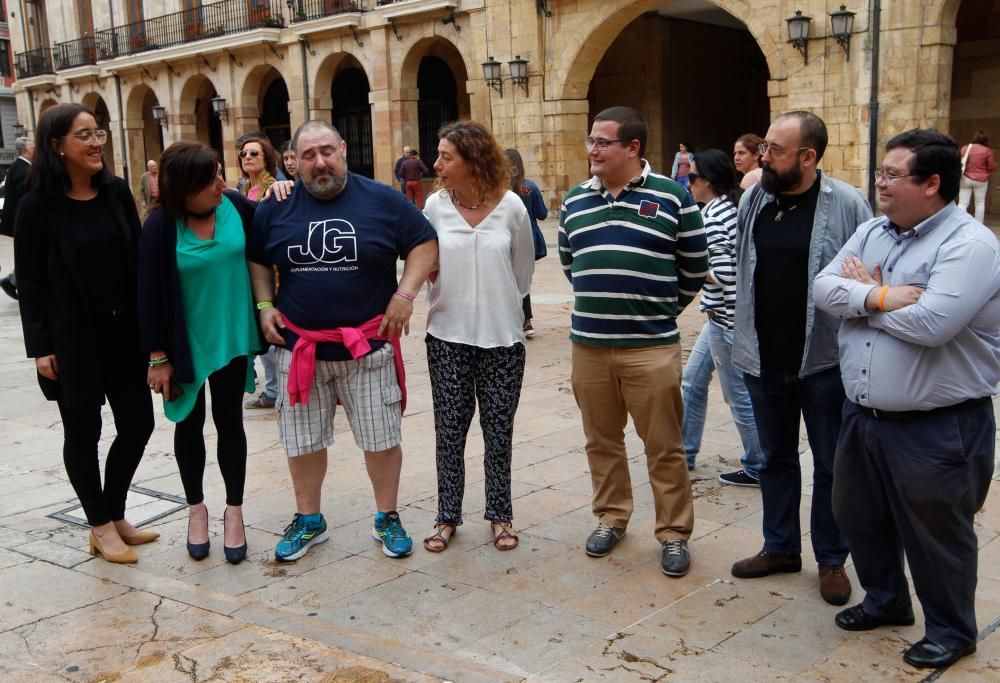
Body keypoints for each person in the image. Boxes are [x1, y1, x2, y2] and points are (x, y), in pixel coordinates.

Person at [815, 128, 999, 669]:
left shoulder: (969, 245)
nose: (880, 183)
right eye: (882, 172)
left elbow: (933, 323)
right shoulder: (874, 231)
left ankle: (951, 630)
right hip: (863, 415)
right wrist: (881, 295)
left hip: (937, 424)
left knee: (936, 532)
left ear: (933, 183)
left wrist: (861, 299)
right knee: (858, 514)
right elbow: (824, 288)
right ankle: (886, 600)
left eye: (892, 174)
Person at [247, 120, 437, 562]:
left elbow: (424, 243)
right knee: (302, 440)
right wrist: (264, 305)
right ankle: (309, 520)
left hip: (367, 348)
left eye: (327, 151)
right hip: (300, 349)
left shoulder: (383, 200)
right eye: (309, 155)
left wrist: (405, 294)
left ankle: (387, 516)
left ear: (344, 149)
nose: (320, 162)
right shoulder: (275, 206)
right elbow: (257, 259)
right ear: (295, 161)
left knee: (381, 437)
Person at [729, 110, 872, 605]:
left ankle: (832, 559)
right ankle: (781, 547)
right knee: (775, 459)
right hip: (762, 357)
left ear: (808, 158)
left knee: (833, 464)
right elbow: (740, 259)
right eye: (764, 147)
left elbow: (868, 274)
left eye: (775, 150)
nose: (763, 157)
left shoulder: (850, 204)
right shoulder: (755, 199)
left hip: (824, 362)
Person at [559, 106, 707, 577]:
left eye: (602, 142)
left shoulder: (673, 197)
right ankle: (611, 517)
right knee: (601, 441)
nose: (592, 150)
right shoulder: (575, 200)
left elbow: (694, 268)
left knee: (664, 445)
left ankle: (674, 532)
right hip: (590, 348)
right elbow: (570, 264)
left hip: (651, 348)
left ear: (632, 148)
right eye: (591, 141)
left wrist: (657, 311)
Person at [14, 103, 156, 564]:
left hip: (123, 330)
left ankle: (113, 514)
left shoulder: (115, 192)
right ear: (58, 146)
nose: (97, 143)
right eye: (85, 135)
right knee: (83, 430)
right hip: (72, 337)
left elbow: (137, 262)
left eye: (99, 133)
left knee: (138, 423)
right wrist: (40, 347)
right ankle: (98, 524)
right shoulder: (37, 206)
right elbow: (30, 282)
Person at [138, 142, 263, 565]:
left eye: (218, 174)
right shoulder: (160, 226)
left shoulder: (236, 207)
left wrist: (283, 191)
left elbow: (272, 232)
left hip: (231, 337)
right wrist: (157, 357)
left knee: (231, 423)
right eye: (209, 179)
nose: (220, 183)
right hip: (183, 346)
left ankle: (234, 512)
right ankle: (196, 510)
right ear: (184, 187)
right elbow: (148, 294)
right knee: (188, 427)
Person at [421, 123, 534, 553]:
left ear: (473, 160)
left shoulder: (511, 208)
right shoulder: (434, 206)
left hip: (503, 339)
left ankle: (500, 515)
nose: (437, 164)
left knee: (498, 431)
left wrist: (497, 301)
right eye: (438, 155)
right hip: (447, 336)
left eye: (447, 156)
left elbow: (521, 273)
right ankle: (447, 515)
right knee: (449, 430)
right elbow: (422, 259)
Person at [680, 149, 764, 487]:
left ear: (708, 182)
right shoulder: (723, 209)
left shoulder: (715, 217)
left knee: (738, 396)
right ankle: (683, 452)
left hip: (726, 320)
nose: (688, 183)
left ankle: (758, 464)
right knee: (692, 381)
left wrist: (689, 269)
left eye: (693, 177)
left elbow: (725, 275)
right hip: (720, 319)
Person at [240, 134, 280, 411]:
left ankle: (275, 390)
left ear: (266, 157)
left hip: (269, 267)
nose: (248, 158)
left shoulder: (273, 188)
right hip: (247, 268)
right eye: (244, 154)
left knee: (271, 329)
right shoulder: (243, 190)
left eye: (254, 153)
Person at [505, 148, 548, 338]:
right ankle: (526, 321)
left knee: (509, 280)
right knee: (523, 280)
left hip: (506, 241)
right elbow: (543, 214)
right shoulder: (530, 187)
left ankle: (517, 319)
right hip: (532, 240)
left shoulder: (500, 190)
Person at [0, 135, 35, 300]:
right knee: (29, 252)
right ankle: (12, 280)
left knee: (30, 252)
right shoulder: (21, 168)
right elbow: (26, 194)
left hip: (20, 220)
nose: (36, 149)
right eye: (33, 147)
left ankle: (13, 280)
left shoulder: (21, 167)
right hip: (21, 221)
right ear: (24, 150)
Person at [957, 130, 995, 224]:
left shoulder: (966, 148)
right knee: (979, 203)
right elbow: (991, 166)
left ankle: (958, 223)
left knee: (962, 203)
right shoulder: (987, 150)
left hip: (965, 178)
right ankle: (979, 225)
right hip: (981, 180)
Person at [238, 134, 278, 202]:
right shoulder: (245, 188)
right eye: (243, 153)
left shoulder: (273, 188)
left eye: (254, 153)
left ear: (266, 160)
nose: (247, 157)